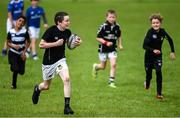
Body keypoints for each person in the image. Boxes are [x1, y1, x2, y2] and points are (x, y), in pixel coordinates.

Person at [32, 11, 81, 115]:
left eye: (69, 20)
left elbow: (70, 45)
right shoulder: (51, 31)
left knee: (67, 79)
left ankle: (67, 107)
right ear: (59, 22)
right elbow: (41, 45)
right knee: (46, 86)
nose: (68, 22)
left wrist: (76, 44)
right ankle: (37, 88)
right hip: (48, 63)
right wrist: (55, 43)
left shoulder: (67, 32)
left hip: (60, 60)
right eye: (66, 21)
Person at [143, 13, 176, 99]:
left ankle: (159, 93)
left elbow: (170, 39)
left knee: (158, 71)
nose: (155, 24)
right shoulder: (149, 33)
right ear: (151, 24)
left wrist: (172, 51)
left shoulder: (163, 32)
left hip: (158, 57)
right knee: (149, 75)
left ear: (160, 23)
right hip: (148, 57)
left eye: (157, 22)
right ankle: (147, 83)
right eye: (153, 23)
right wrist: (153, 50)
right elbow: (144, 46)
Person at [92, 9, 123, 88]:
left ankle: (111, 81)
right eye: (110, 17)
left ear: (115, 18)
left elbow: (119, 36)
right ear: (106, 17)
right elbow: (98, 38)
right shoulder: (103, 26)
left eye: (113, 17)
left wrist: (120, 45)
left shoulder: (117, 26)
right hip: (103, 49)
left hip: (112, 49)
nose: (112, 19)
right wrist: (106, 42)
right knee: (103, 67)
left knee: (113, 64)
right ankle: (96, 67)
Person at [7, 16, 30, 89]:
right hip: (12, 53)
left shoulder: (25, 32)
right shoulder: (11, 32)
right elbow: (8, 42)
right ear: (16, 21)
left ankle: (13, 67)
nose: (21, 23)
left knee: (22, 72)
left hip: (21, 54)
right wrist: (13, 46)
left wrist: (24, 52)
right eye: (19, 21)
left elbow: (28, 42)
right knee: (16, 69)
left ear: (23, 24)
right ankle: (13, 85)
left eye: (23, 22)